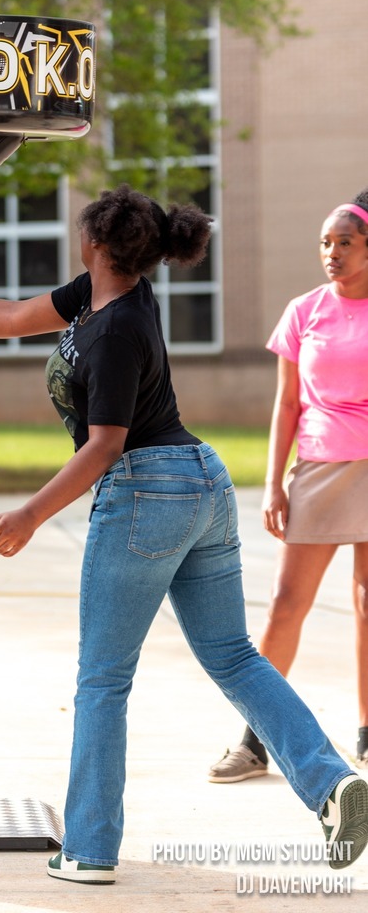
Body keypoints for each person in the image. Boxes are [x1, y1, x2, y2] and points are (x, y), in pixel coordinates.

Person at [0, 184, 368, 884]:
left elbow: (105, 445)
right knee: (231, 655)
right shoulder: (103, 295)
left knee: (102, 678)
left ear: (96, 244)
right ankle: (331, 783)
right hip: (202, 482)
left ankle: (89, 849)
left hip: (146, 490)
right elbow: (10, 316)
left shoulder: (114, 329)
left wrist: (28, 515)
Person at [209, 190, 368, 784]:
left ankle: (367, 733)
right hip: (320, 469)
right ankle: (256, 739)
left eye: (344, 243)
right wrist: (273, 483)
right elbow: (287, 403)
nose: (331, 253)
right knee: (284, 605)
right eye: (325, 243)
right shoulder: (304, 311)